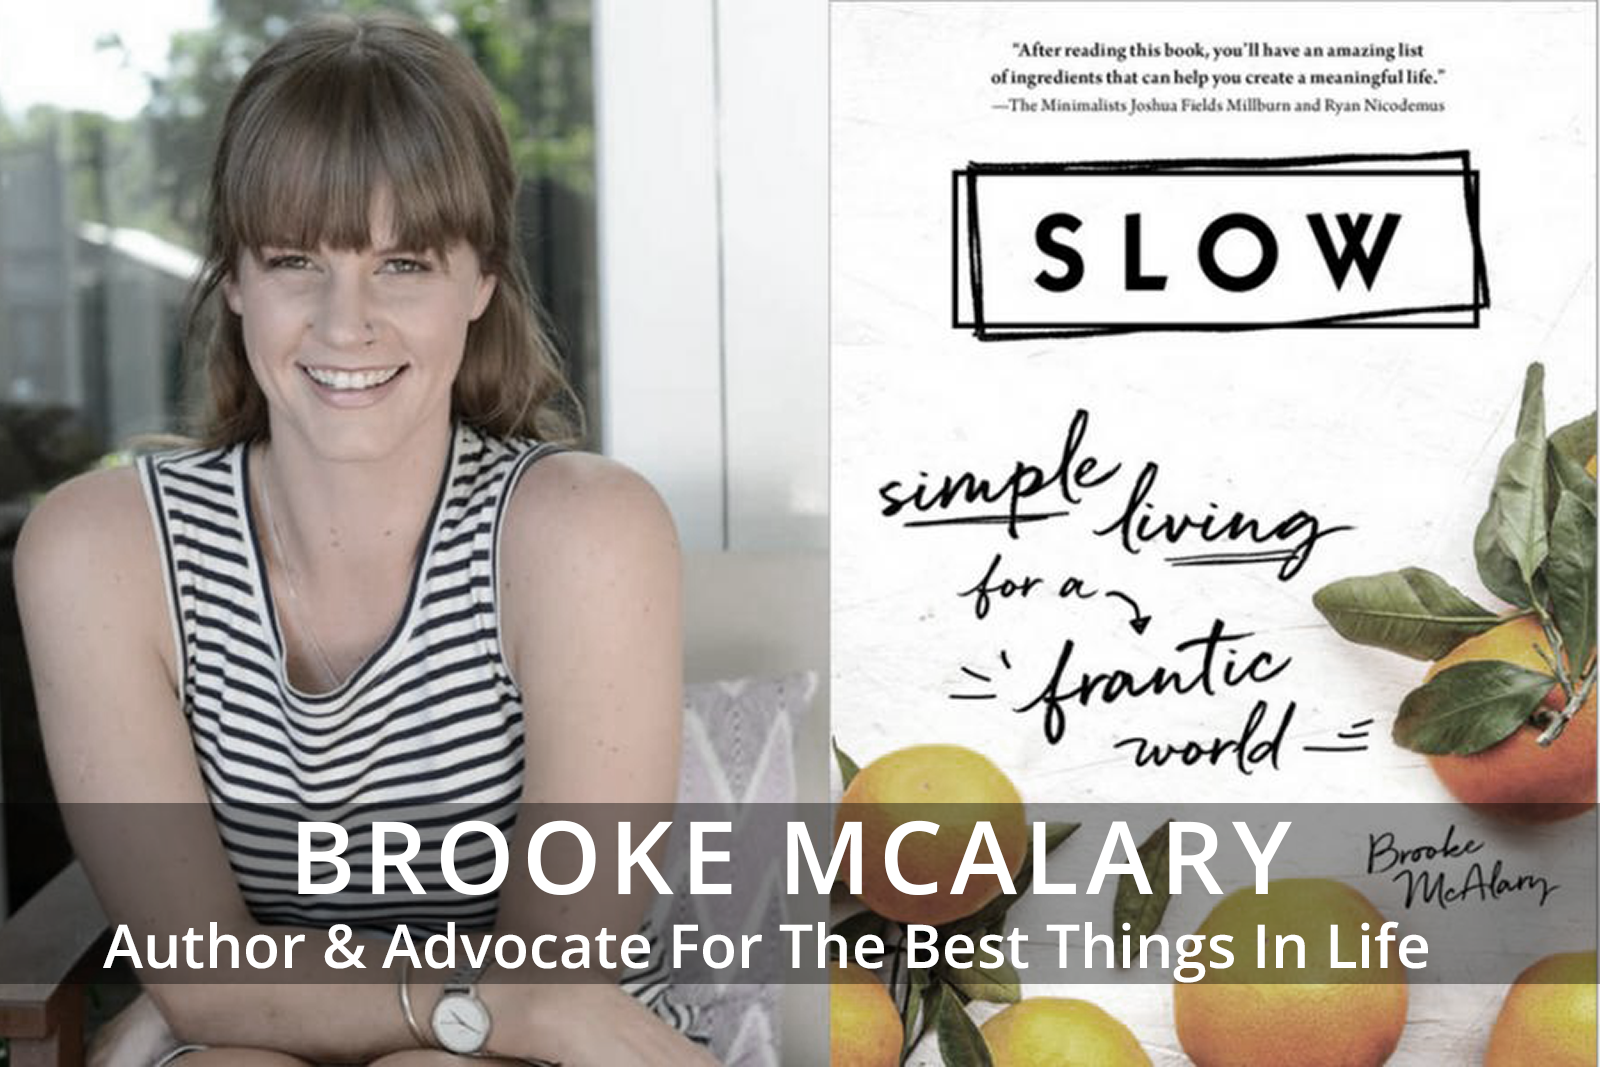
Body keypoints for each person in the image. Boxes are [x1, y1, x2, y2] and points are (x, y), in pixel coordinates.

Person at [16, 11, 716, 1066]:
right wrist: (216, 1002)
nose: (347, 325)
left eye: (404, 264)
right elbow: (205, 980)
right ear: (235, 277)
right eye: (298, 258)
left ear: (481, 278)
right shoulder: (97, 552)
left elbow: (558, 985)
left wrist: (239, 991)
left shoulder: (584, 533)